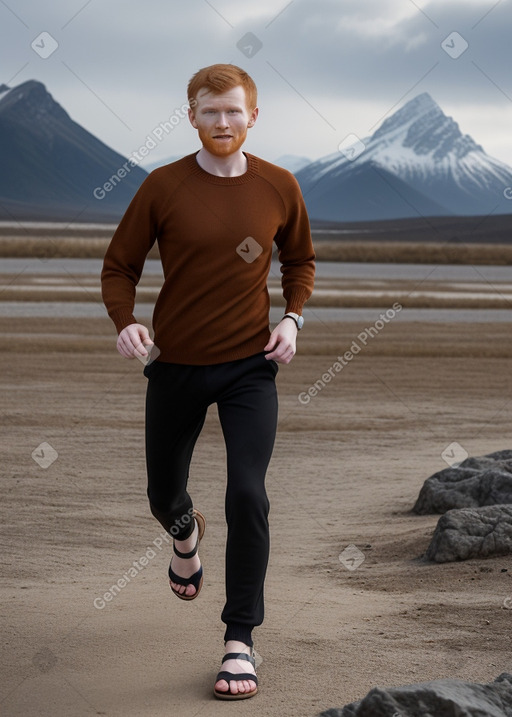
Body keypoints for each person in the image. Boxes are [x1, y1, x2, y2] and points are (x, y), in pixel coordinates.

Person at [101, 63, 315, 700]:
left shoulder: (279, 186)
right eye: (209, 111)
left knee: (248, 493)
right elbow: (120, 266)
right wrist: (126, 321)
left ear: (253, 117)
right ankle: (183, 535)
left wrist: (293, 319)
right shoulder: (162, 187)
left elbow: (299, 259)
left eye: (233, 111)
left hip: (251, 367)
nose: (222, 122)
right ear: (191, 116)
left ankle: (239, 640)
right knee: (163, 494)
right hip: (174, 365)